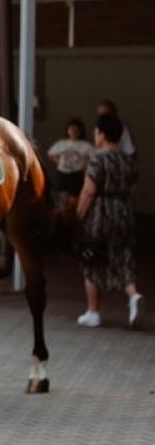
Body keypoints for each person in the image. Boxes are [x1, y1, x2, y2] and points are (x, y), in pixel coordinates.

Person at [75, 113, 141, 329]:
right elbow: (132, 183)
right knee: (123, 256)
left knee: (92, 258)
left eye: (96, 131)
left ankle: (93, 311)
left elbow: (89, 190)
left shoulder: (98, 158)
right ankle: (133, 296)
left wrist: (79, 214)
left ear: (102, 135)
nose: (95, 135)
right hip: (124, 210)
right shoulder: (126, 159)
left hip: (101, 213)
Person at [47, 118, 94, 211]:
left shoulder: (86, 145)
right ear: (67, 130)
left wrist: (85, 165)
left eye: (77, 130)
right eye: (71, 129)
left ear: (81, 131)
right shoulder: (62, 143)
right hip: (62, 174)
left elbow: (94, 158)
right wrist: (59, 162)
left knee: (74, 200)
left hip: (76, 174)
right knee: (62, 198)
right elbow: (50, 154)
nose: (74, 132)